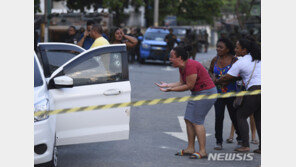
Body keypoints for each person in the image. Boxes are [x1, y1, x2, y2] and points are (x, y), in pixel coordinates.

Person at [155, 46, 217, 159]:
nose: (169, 59)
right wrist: (168, 85)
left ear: (180, 58)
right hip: (197, 93)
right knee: (188, 119)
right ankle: (190, 148)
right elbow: (181, 82)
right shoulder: (181, 67)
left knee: (197, 121)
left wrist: (170, 90)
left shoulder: (191, 65)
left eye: (172, 57)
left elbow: (189, 86)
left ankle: (202, 151)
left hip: (206, 93)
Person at [215, 38, 261, 153]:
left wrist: (215, 81)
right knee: (259, 118)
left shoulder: (241, 61)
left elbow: (227, 77)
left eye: (237, 47)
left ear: (244, 50)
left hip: (254, 90)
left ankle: (245, 145)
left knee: (240, 115)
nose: (235, 49)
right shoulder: (258, 58)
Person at [208, 38, 242, 150]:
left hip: (231, 94)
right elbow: (210, 71)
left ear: (227, 49)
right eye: (217, 46)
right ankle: (219, 141)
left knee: (234, 117)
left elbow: (240, 75)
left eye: (220, 47)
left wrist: (227, 80)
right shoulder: (215, 59)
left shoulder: (234, 61)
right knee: (219, 117)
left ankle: (240, 139)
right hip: (218, 94)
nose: (218, 49)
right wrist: (213, 78)